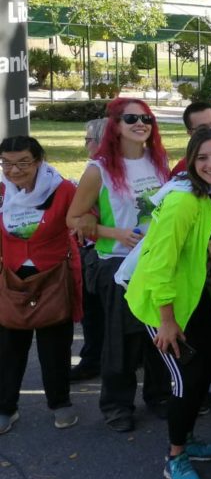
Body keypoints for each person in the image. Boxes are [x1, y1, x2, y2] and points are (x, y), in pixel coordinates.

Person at [124, 128, 211, 479]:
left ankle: (187, 439)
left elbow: (196, 250)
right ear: (190, 162)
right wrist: (166, 322)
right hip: (165, 304)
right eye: (202, 158)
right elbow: (160, 266)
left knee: (203, 375)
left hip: (196, 298)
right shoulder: (183, 201)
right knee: (185, 381)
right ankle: (174, 456)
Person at [67, 98, 171, 432]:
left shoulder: (158, 162)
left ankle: (158, 397)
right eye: (131, 119)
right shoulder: (98, 169)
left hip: (156, 262)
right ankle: (117, 406)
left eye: (146, 119)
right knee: (121, 341)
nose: (141, 124)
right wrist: (114, 233)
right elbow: (74, 218)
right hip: (117, 264)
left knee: (158, 335)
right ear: (116, 125)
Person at [0, 136, 83, 435]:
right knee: (9, 347)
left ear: (38, 161)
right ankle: (6, 407)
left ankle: (60, 403)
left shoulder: (63, 190)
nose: (14, 171)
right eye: (7, 164)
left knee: (54, 347)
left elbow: (84, 219)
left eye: (23, 162)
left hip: (52, 278)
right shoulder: (0, 190)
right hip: (12, 279)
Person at [71, 118, 107, 382]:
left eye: (88, 140)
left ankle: (93, 359)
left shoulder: (99, 170)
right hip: (98, 249)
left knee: (94, 312)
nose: (85, 145)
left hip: (101, 251)